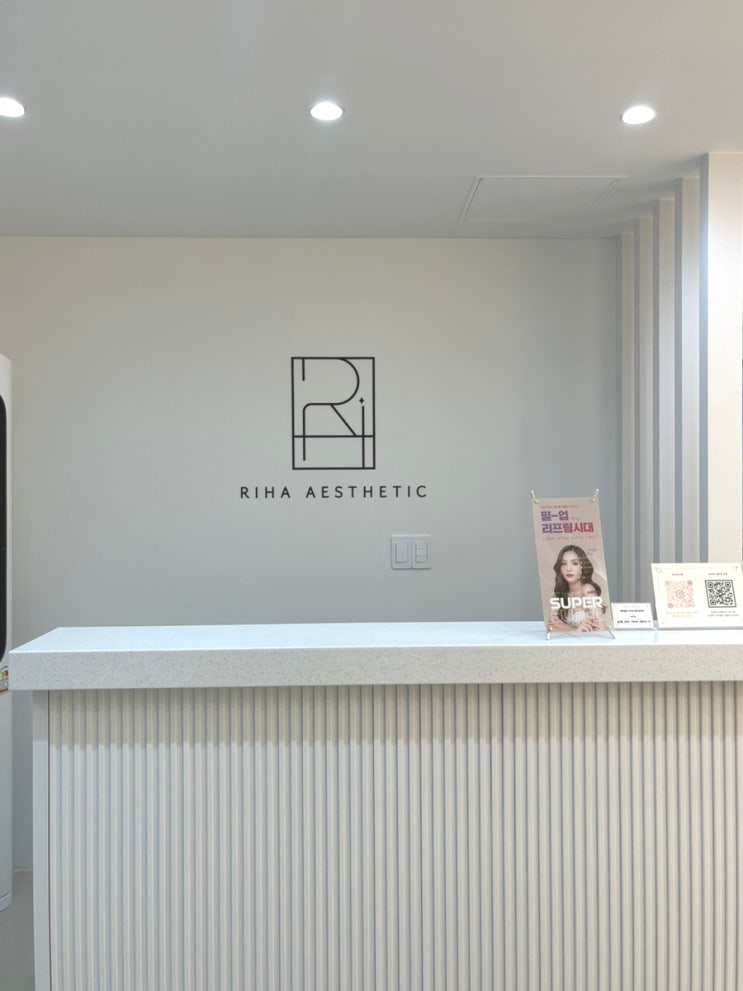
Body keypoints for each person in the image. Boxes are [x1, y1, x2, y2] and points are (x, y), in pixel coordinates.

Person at [548, 544, 606, 632]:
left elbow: (601, 629)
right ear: (560, 568)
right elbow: (550, 629)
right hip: (566, 640)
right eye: (564, 564)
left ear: (582, 567)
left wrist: (565, 629)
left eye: (575, 563)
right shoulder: (559, 594)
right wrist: (575, 630)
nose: (568, 568)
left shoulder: (588, 589)